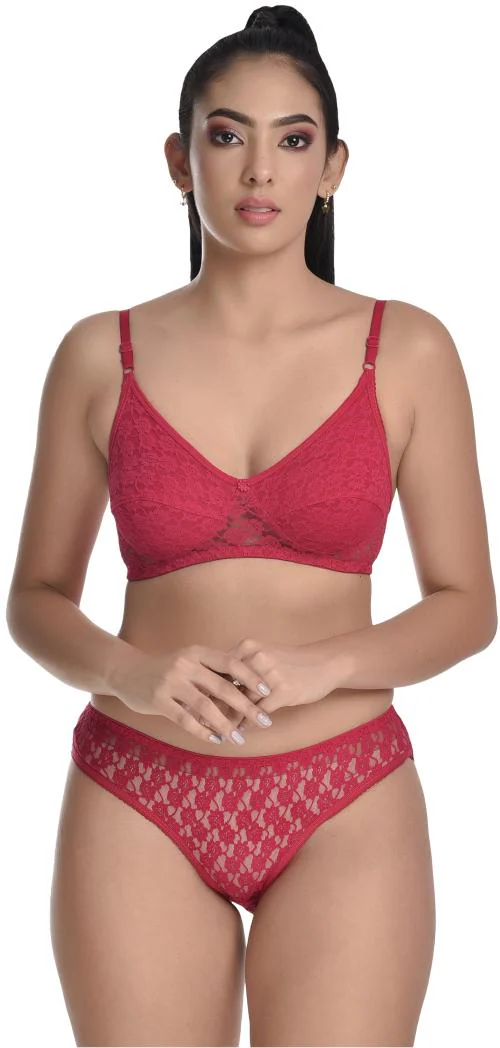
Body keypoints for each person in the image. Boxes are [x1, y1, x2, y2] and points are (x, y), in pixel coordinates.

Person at [6, 5, 497, 1047]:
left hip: (345, 796)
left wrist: (330, 665)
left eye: (293, 139)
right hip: (136, 790)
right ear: (179, 161)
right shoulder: (99, 354)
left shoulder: (407, 350)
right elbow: (34, 599)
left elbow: (468, 605)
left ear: (333, 168)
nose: (260, 170)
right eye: (227, 135)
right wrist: (132, 673)